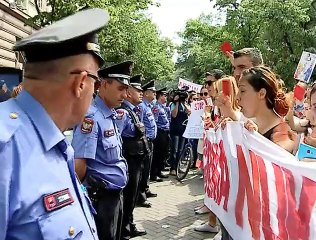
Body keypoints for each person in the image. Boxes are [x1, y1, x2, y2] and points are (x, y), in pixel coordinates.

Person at [0, 8, 109, 239]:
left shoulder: (55, 142)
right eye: (96, 83)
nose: (95, 92)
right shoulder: (5, 147)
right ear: (81, 83)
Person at [72, 60, 134, 240]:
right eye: (120, 88)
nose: (125, 94)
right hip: (100, 200)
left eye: (126, 89)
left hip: (114, 196)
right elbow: (80, 165)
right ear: (105, 84)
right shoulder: (92, 117)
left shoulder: (110, 114)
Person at [115, 74, 148, 239]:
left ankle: (129, 225)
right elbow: (117, 138)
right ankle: (124, 231)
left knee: (133, 196)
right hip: (129, 159)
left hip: (137, 158)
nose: (141, 93)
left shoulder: (132, 110)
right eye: (138, 90)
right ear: (128, 92)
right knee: (128, 197)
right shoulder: (122, 111)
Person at [238, 66, 297, 153]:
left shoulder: (281, 139)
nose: (237, 97)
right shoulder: (254, 128)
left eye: (242, 91)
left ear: (261, 94)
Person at [137, 80, 158, 208]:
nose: (155, 94)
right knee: (143, 171)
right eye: (153, 92)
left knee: (147, 170)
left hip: (150, 142)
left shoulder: (148, 106)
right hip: (144, 142)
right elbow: (139, 125)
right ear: (146, 93)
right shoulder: (141, 107)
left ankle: (145, 190)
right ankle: (141, 197)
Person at [169, 87, 190, 175]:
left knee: (181, 150)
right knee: (175, 150)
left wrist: (184, 102)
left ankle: (178, 167)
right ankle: (172, 168)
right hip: (175, 130)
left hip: (183, 130)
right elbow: (174, 115)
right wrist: (177, 102)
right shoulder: (172, 104)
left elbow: (189, 111)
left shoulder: (185, 104)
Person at [151, 87, 170, 181]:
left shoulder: (163, 107)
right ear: (160, 96)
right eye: (164, 95)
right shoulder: (156, 107)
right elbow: (154, 121)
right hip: (159, 132)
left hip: (165, 132)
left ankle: (159, 171)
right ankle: (154, 174)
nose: (166, 97)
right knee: (157, 154)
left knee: (162, 153)